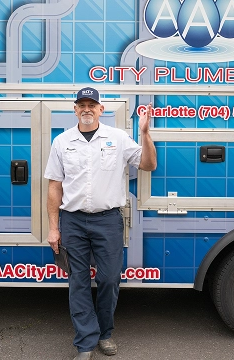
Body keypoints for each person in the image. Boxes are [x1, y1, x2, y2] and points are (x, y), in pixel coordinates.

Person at [44, 87, 157, 360]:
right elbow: (54, 187)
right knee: (78, 282)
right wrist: (53, 227)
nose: (86, 109)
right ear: (74, 109)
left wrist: (144, 134)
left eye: (91, 104)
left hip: (107, 221)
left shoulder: (118, 138)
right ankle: (85, 343)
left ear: (100, 109)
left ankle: (105, 332)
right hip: (72, 221)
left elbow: (149, 164)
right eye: (81, 104)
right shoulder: (62, 141)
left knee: (108, 279)